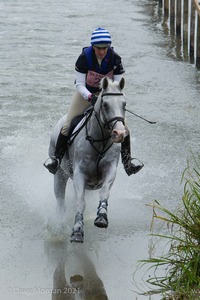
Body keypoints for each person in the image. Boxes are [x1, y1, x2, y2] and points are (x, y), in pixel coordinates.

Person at [46, 27, 144, 175]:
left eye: (105, 48)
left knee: (125, 127)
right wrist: (90, 97)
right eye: (99, 48)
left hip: (108, 95)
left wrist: (109, 99)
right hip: (86, 94)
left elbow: (117, 86)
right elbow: (79, 84)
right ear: (93, 46)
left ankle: (127, 162)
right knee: (67, 125)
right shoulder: (84, 58)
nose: (102, 51)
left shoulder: (115, 59)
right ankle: (56, 160)